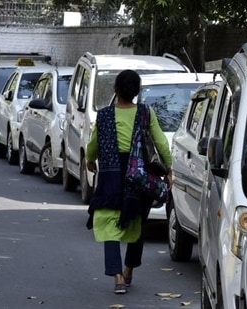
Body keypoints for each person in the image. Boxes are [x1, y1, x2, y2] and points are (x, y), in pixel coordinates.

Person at [85, 69, 172, 294]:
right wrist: (169, 169)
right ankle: (128, 270)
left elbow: (93, 145)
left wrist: (89, 160)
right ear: (137, 91)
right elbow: (161, 142)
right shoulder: (145, 113)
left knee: (107, 225)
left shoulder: (103, 116)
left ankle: (117, 278)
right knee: (136, 224)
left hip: (110, 176)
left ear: (115, 89)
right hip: (138, 177)